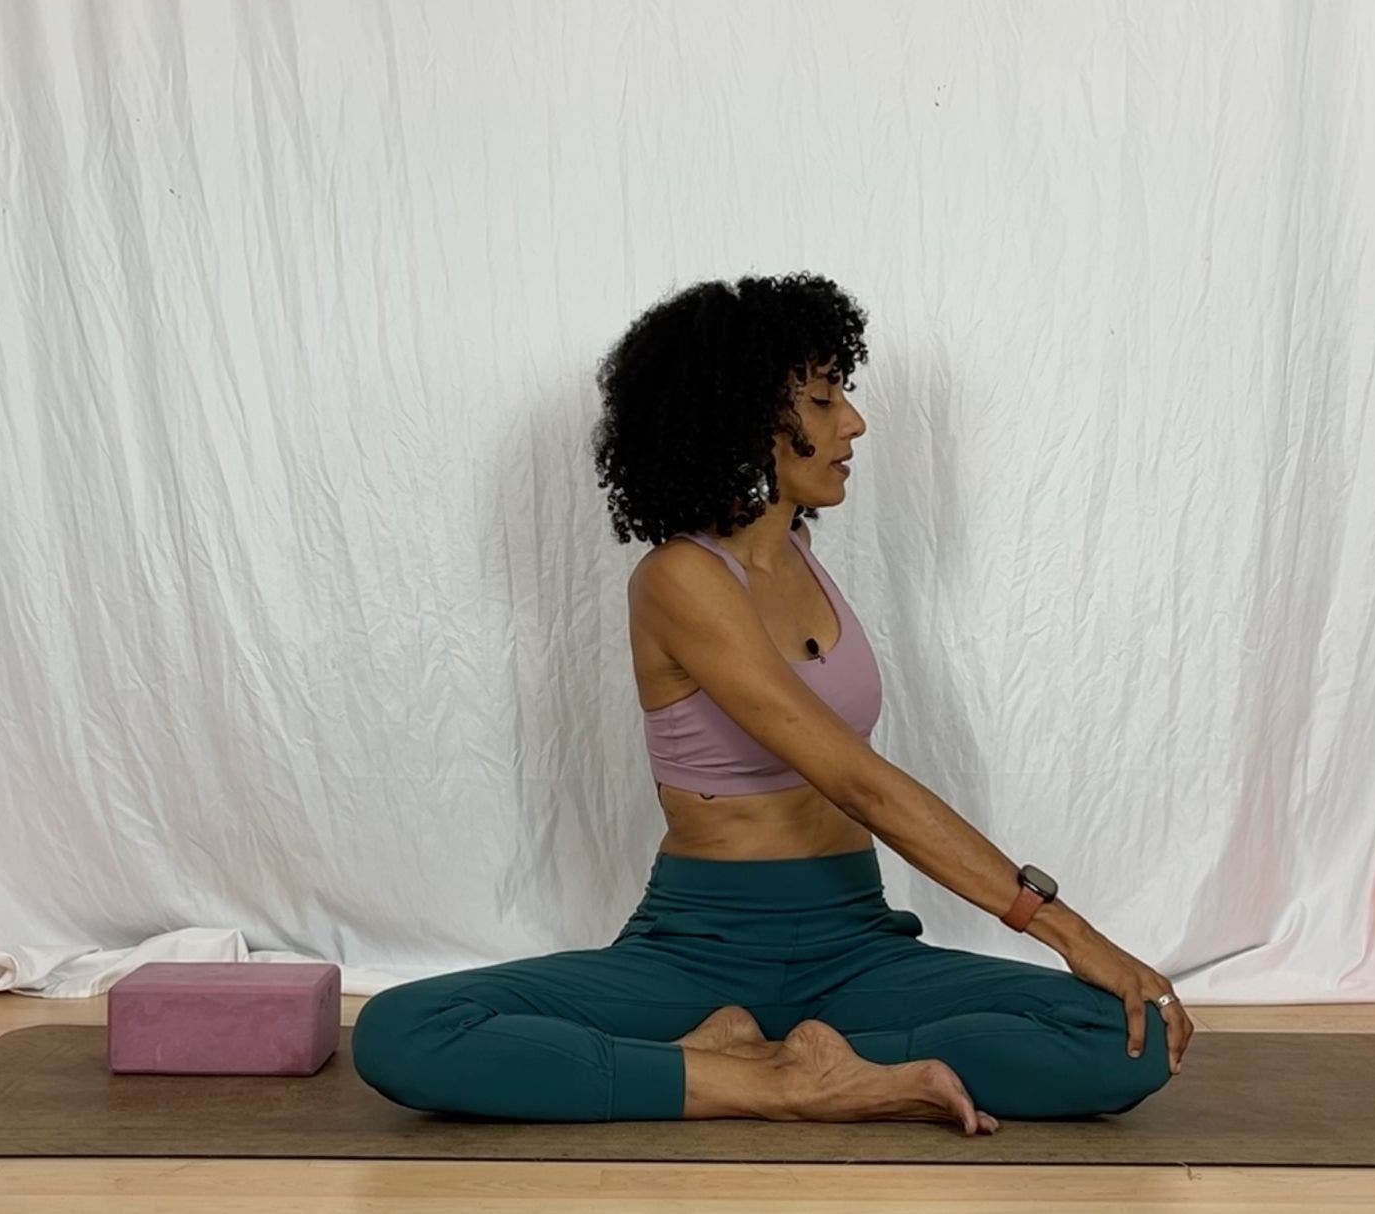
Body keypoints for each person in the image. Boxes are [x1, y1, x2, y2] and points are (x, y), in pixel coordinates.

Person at [352, 273, 1190, 1133]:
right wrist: (1069, 931)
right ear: (743, 421)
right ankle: (780, 1083)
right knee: (405, 1032)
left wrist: (1087, 960)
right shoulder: (680, 579)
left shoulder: (798, 558)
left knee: (1129, 1034)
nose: (853, 423)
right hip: (698, 951)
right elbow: (855, 780)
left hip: (854, 943)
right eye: (824, 401)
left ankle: (787, 1057)